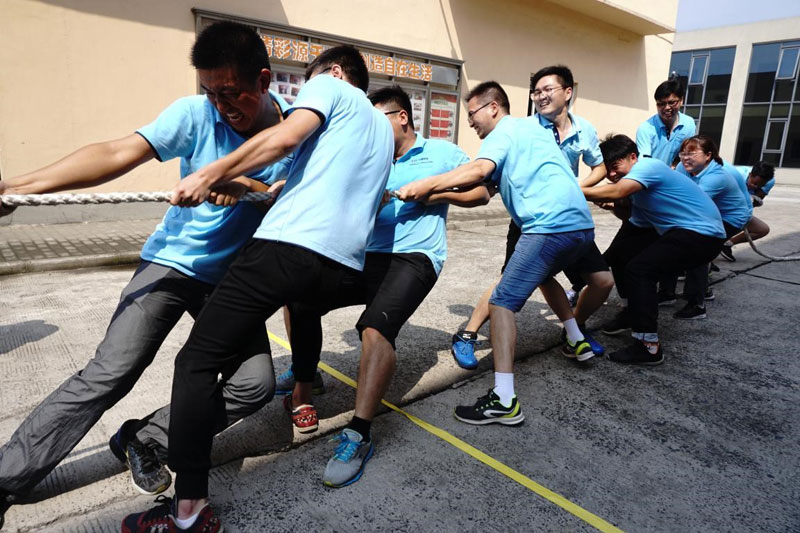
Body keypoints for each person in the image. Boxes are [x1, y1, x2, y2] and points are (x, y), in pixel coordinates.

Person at [0, 22, 289, 526]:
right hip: (170, 263)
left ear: (263, 81)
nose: (221, 105)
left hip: (231, 281)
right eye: (211, 92)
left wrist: (246, 185)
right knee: (111, 371)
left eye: (230, 93)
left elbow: (294, 194)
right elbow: (118, 152)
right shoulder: (194, 114)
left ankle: (146, 437)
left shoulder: (297, 129)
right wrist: (18, 188)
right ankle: (7, 477)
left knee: (254, 384)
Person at [121, 45, 394, 532]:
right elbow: (315, 190)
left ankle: (189, 511)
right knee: (283, 325)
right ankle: (296, 391)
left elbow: (286, 137)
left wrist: (211, 172)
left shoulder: (328, 87)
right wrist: (247, 186)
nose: (304, 91)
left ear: (334, 72)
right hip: (339, 267)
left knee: (195, 363)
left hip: (288, 248)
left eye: (309, 79)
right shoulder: (379, 128)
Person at [277, 85, 482, 487]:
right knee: (299, 296)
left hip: (415, 258)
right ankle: (306, 380)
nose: (368, 130)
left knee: (375, 328)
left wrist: (433, 191)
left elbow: (480, 192)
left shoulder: (441, 153)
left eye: (375, 121)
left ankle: (359, 434)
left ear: (402, 117)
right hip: (365, 255)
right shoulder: (370, 157)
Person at [396, 81, 596, 426]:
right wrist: (438, 196)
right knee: (541, 276)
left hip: (548, 226)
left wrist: (427, 183)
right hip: (580, 228)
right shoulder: (530, 133)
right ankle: (577, 337)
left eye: (472, 113)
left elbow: (478, 171)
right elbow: (482, 193)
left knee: (502, 302)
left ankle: (504, 399)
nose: (470, 122)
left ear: (493, 108)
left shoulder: (503, 132)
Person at [451, 65, 611, 369]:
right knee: (511, 282)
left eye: (547, 89)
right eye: (535, 92)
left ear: (568, 92)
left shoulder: (585, 130)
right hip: (532, 218)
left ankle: (574, 331)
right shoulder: (524, 127)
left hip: (567, 217)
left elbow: (599, 165)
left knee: (602, 281)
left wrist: (577, 188)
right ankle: (468, 333)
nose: (540, 97)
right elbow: (490, 174)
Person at [583, 134, 726, 365]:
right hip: (683, 232)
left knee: (641, 270)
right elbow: (632, 221)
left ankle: (648, 346)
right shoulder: (640, 190)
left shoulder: (649, 166)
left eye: (615, 167)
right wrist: (613, 207)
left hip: (703, 235)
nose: (612, 174)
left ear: (633, 157)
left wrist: (576, 190)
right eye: (607, 170)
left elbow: (617, 190)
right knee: (621, 255)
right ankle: (632, 313)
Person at [660, 136, 751, 319]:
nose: (686, 158)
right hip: (706, 212)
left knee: (697, 248)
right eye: (683, 153)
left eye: (692, 153)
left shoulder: (716, 177)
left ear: (708, 155)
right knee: (671, 241)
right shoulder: (683, 167)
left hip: (729, 218)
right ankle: (667, 293)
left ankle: (697, 304)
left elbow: (690, 204)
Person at [719, 161, 776, 261]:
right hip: (723, 209)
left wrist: (752, 200)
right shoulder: (735, 175)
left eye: (760, 185)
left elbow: (755, 201)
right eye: (754, 183)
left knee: (762, 229)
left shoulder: (769, 181)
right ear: (750, 175)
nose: (755, 187)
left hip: (739, 212)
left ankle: (726, 244)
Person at [636, 78, 696, 165]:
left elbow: (687, 155)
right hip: (651, 172)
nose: (667, 108)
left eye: (671, 102)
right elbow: (644, 162)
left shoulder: (689, 124)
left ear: (681, 100)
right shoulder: (646, 129)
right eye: (661, 104)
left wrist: (674, 166)